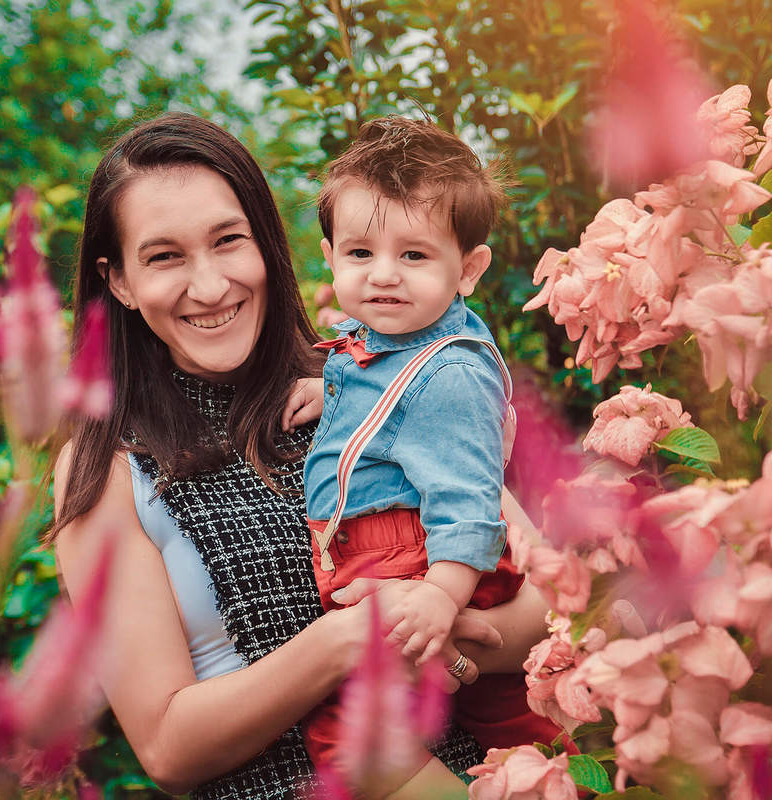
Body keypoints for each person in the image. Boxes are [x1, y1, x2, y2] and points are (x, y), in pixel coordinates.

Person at [49, 112, 549, 800]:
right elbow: (166, 747)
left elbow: (551, 608)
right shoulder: (108, 467)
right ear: (121, 282)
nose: (210, 285)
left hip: (479, 775)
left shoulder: (371, 377)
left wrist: (445, 631)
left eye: (229, 241)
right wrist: (344, 645)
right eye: (165, 257)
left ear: (270, 247)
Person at [300, 117, 564, 778]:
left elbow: (470, 498)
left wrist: (441, 596)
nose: (384, 275)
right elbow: (383, 396)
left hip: (421, 561)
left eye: (414, 255)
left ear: (467, 269)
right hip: (399, 557)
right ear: (330, 258)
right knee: (516, 721)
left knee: (350, 734)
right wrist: (324, 390)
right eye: (360, 254)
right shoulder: (379, 341)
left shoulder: (450, 376)